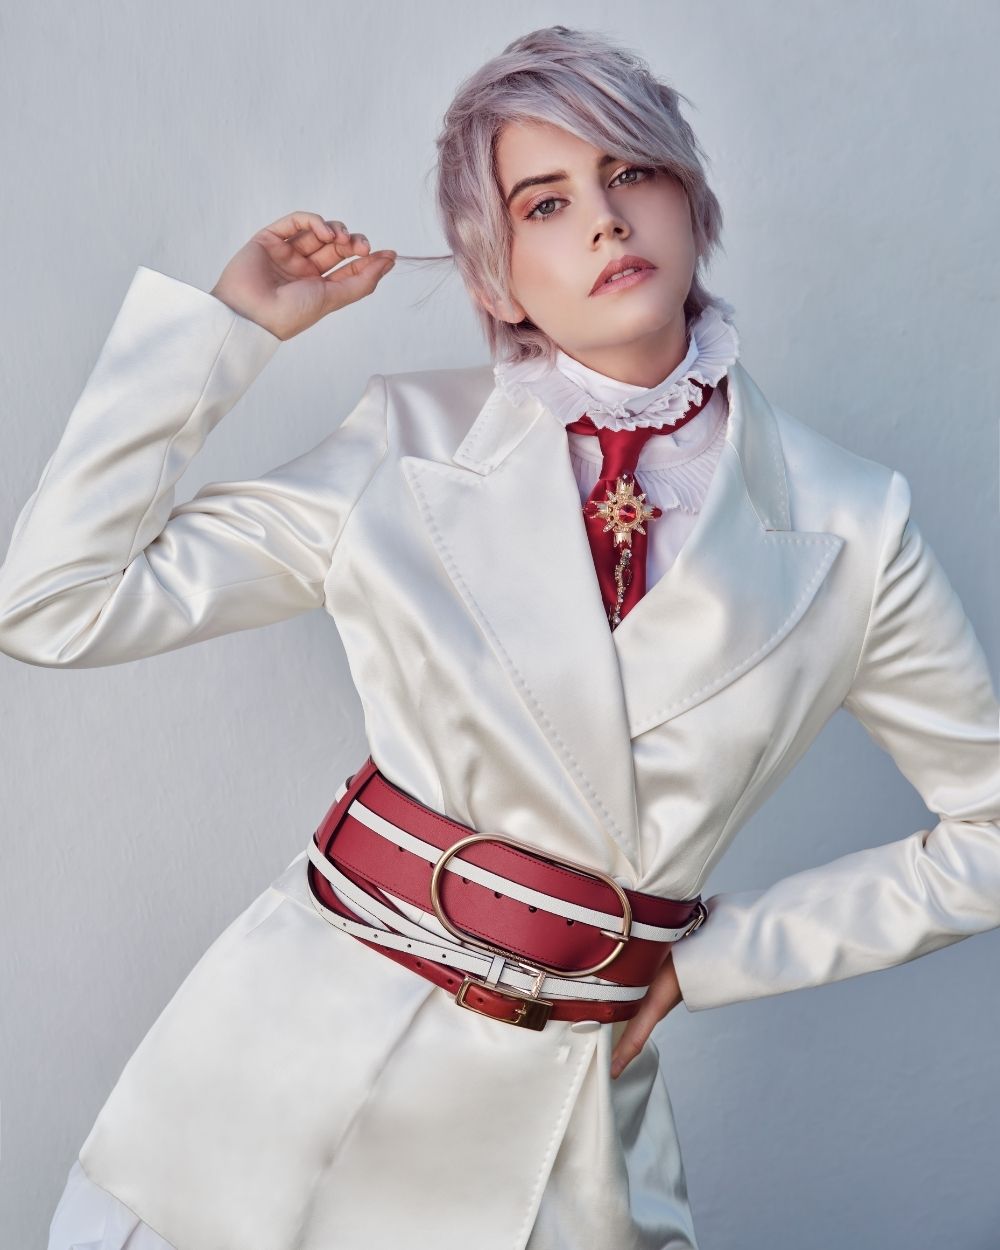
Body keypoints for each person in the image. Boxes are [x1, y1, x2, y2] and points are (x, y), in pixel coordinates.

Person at [2, 23, 997, 1250]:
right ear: (494, 278)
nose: (605, 220)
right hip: (278, 1072)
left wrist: (716, 955)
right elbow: (53, 603)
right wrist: (225, 333)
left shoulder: (854, 521)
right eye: (546, 201)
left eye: (631, 171)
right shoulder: (403, 443)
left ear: (691, 200)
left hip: (558, 1129)